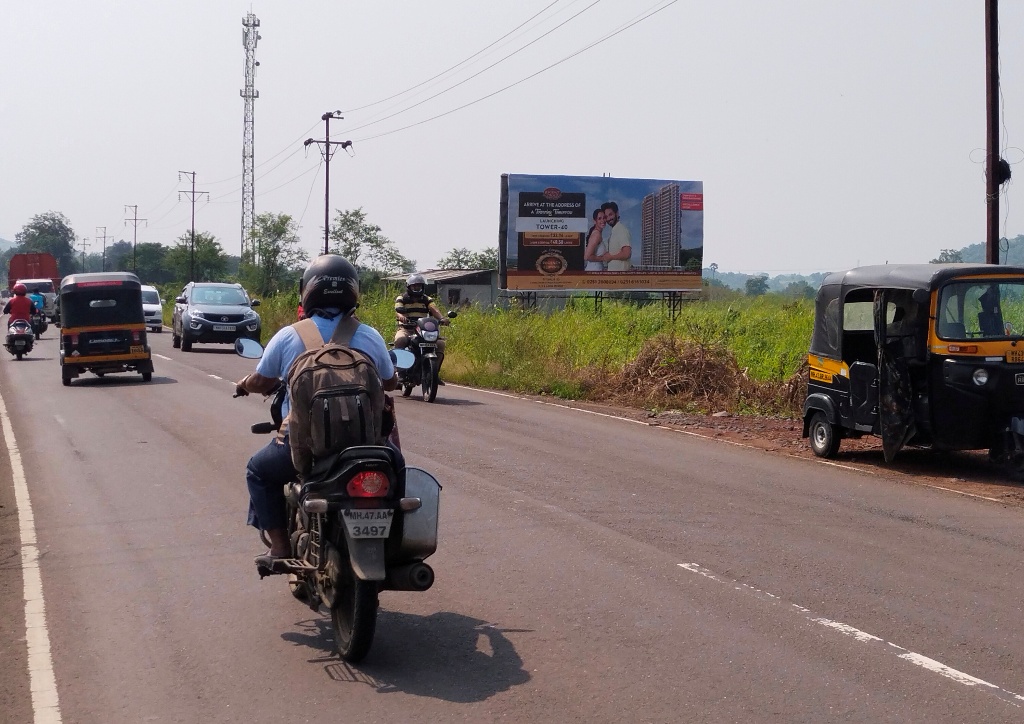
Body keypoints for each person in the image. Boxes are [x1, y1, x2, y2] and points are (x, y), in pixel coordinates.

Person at [235, 254, 398, 575]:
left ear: (306, 291)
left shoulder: (288, 336)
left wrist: (243, 384)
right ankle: (397, 543)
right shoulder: (370, 335)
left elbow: (263, 381)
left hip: (303, 450)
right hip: (365, 448)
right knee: (398, 471)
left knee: (258, 471)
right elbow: (391, 380)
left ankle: (280, 547)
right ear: (354, 292)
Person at [394, 273, 450, 380]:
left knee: (440, 344)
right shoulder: (402, 298)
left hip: (423, 330)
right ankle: (400, 372)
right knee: (400, 339)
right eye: (414, 286)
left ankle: (434, 373)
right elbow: (398, 311)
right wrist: (402, 317)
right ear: (409, 287)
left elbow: (434, 310)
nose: (417, 288)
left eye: (419, 286)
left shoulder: (426, 299)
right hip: (407, 329)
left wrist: (442, 318)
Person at [601, 201, 632, 271]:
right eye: (606, 216)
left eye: (610, 214)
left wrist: (611, 257)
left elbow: (627, 253)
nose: (608, 218)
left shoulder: (622, 230)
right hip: (614, 277)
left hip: (620, 278)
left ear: (617, 213)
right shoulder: (614, 231)